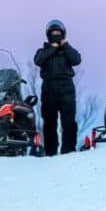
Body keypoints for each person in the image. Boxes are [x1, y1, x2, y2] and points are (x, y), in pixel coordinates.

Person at [34, 19, 82, 155]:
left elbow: (76, 60)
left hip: (67, 87)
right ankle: (50, 152)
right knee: (49, 121)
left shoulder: (67, 50)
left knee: (69, 121)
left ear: (63, 34)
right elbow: (38, 60)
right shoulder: (42, 50)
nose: (56, 35)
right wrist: (53, 48)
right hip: (49, 87)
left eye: (58, 33)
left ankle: (69, 150)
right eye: (53, 33)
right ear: (48, 35)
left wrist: (65, 46)